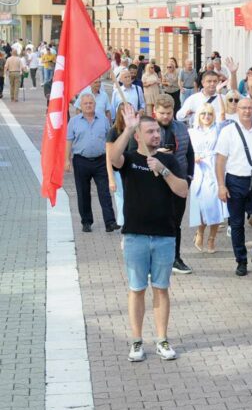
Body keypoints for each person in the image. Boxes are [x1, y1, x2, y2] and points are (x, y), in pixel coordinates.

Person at [109, 107, 188, 362]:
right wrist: (129, 127)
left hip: (164, 235)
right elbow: (112, 157)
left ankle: (162, 340)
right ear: (138, 136)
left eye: (157, 131)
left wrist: (163, 171)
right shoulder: (130, 159)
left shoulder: (170, 159)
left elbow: (183, 190)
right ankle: (136, 341)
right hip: (135, 236)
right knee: (137, 289)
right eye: (150, 131)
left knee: (161, 289)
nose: (156, 135)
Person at [215, 97, 252, 276]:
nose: (247, 111)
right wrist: (221, 185)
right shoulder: (228, 131)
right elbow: (220, 160)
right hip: (235, 181)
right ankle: (241, 260)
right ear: (237, 110)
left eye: (250, 108)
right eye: (243, 108)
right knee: (237, 223)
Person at [153, 94, 195, 275]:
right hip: (155, 184)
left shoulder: (181, 128)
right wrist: (156, 153)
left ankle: (175, 258)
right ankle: (154, 260)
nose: (165, 116)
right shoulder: (148, 129)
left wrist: (189, 177)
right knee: (155, 223)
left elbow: (190, 153)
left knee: (175, 223)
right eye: (162, 113)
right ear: (155, 111)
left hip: (179, 182)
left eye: (168, 113)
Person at [66, 94, 119, 233]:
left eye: (91, 103)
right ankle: (86, 222)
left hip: (100, 161)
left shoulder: (103, 120)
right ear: (81, 106)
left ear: (95, 105)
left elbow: (110, 140)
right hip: (81, 161)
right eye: (86, 104)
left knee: (104, 192)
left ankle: (110, 222)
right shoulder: (74, 121)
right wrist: (67, 159)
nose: (88, 105)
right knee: (83, 193)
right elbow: (69, 141)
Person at [188, 103, 227, 254]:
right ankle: (200, 232)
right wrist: (193, 157)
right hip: (198, 169)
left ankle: (212, 238)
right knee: (201, 204)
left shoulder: (217, 128)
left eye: (209, 113)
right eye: (203, 113)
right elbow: (187, 150)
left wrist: (219, 94)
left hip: (213, 167)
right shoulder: (191, 131)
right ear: (198, 115)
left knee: (215, 205)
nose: (206, 116)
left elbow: (223, 113)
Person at [106, 104, 130, 228]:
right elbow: (109, 157)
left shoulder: (136, 129)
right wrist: (111, 179)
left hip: (131, 169)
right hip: (118, 172)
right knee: (121, 198)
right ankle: (123, 224)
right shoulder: (113, 132)